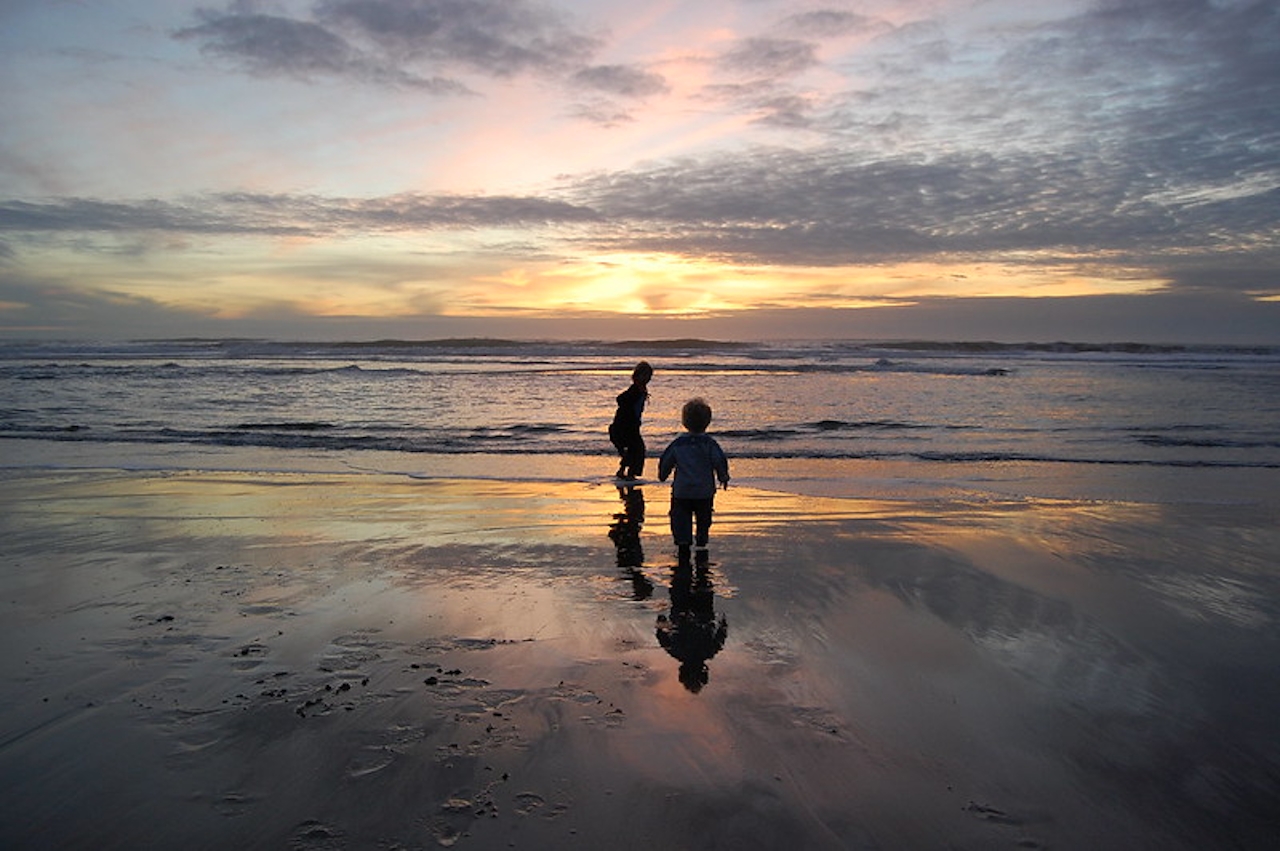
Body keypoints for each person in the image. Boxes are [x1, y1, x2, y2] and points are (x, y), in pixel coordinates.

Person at [657, 397, 730, 556]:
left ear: (684, 421)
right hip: (704, 490)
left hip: (682, 490)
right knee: (704, 516)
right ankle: (702, 539)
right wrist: (723, 476)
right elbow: (719, 460)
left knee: (680, 517)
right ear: (707, 421)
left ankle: (683, 541)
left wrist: (663, 473)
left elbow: (667, 459)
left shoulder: (679, 443)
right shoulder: (709, 443)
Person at [609, 361, 653, 480]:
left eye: (649, 376)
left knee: (634, 449)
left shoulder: (640, 389)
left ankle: (625, 471)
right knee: (637, 449)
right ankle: (629, 473)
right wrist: (631, 415)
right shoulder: (635, 390)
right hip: (624, 425)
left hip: (630, 425)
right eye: (646, 376)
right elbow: (620, 399)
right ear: (638, 375)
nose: (648, 379)